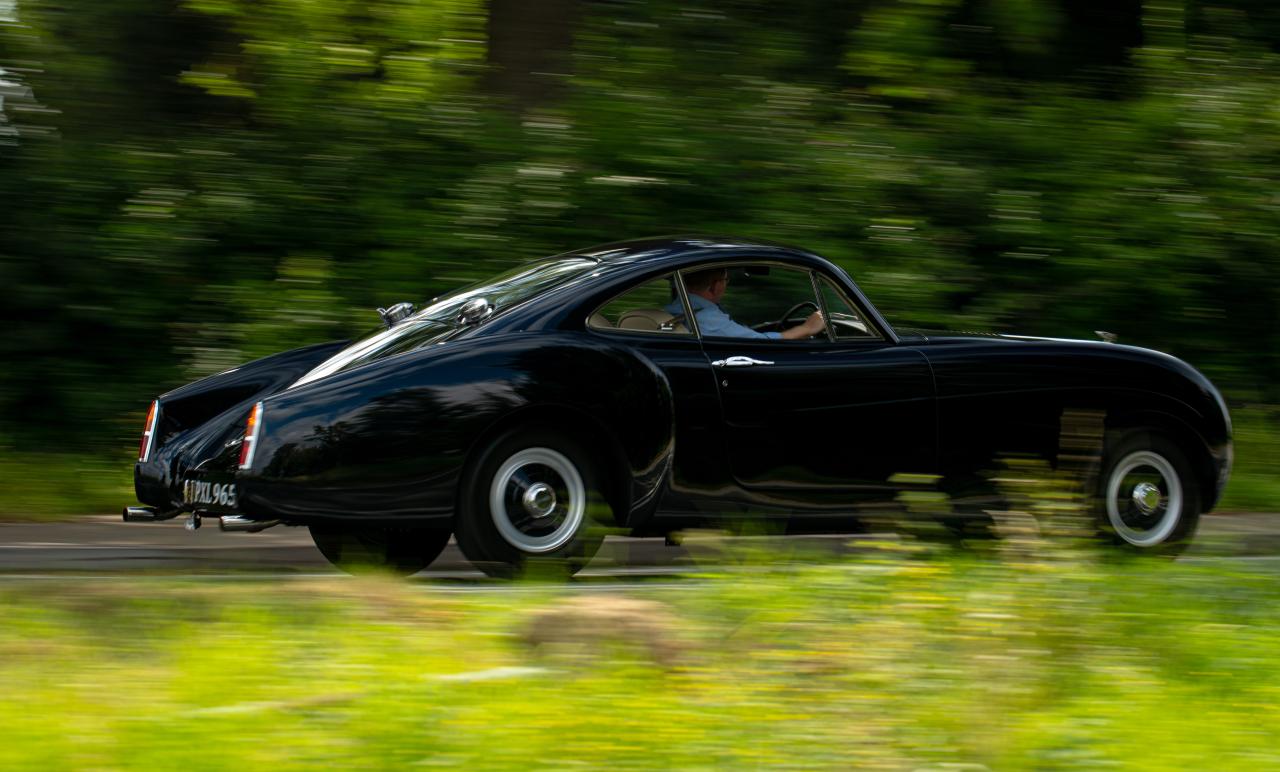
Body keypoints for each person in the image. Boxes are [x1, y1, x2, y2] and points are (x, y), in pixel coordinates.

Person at [665, 267, 826, 340]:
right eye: (725, 280)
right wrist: (808, 328)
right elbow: (761, 344)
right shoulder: (707, 319)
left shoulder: (672, 310)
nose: (726, 285)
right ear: (716, 285)